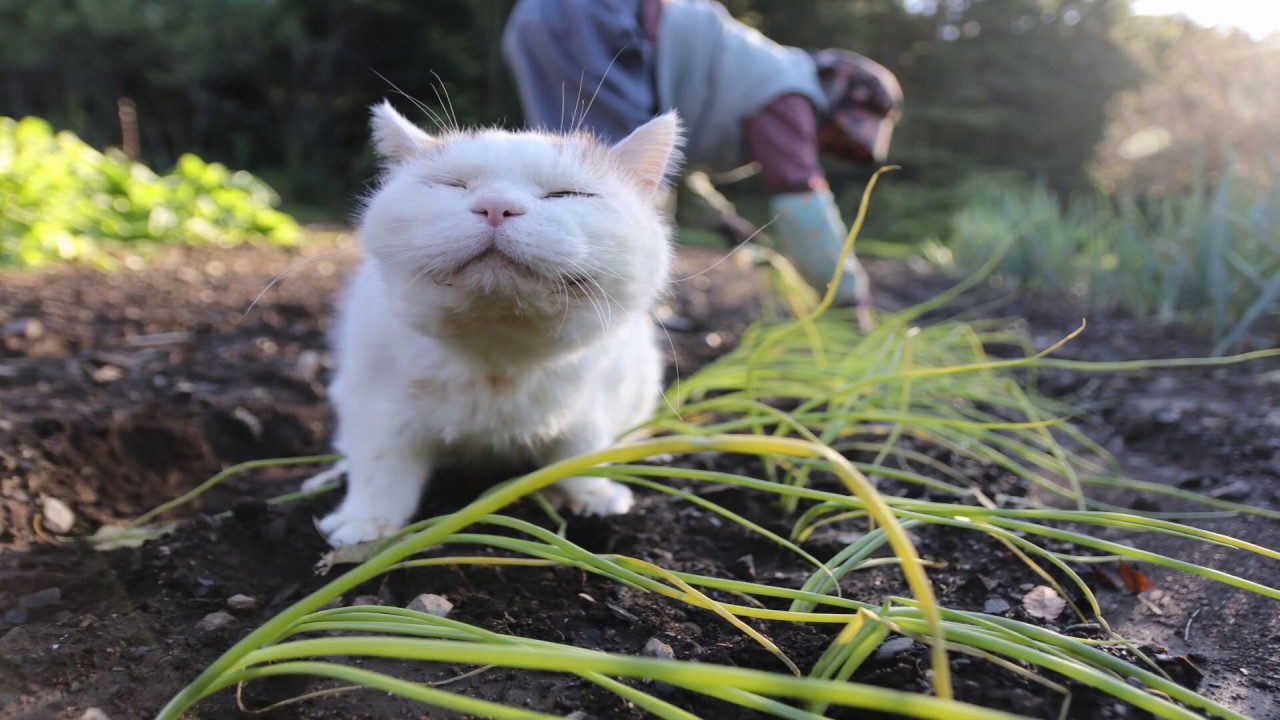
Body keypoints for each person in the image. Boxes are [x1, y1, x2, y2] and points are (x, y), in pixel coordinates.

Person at [501, 0, 903, 311]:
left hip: (552, 19)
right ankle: (626, 315)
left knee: (583, 172)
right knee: (616, 181)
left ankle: (591, 304)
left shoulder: (763, 75)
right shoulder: (790, 96)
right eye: (841, 138)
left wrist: (727, 224)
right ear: (836, 102)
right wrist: (849, 299)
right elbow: (803, 204)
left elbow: (676, 172)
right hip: (599, 20)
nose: (832, 148)